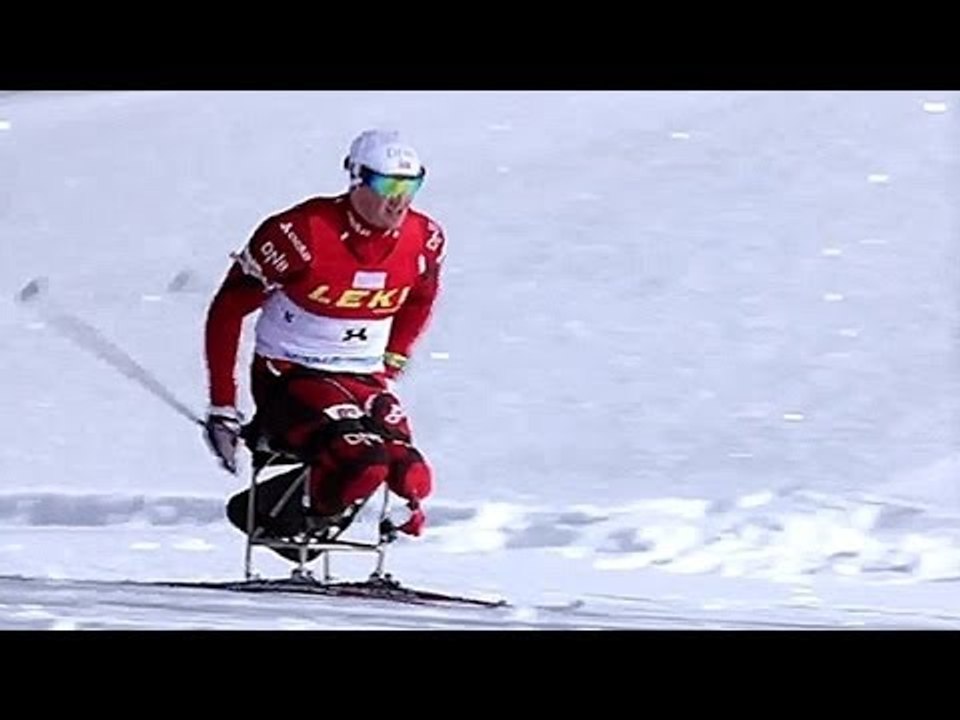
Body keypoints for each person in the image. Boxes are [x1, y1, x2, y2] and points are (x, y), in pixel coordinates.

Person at [202, 129, 446, 539]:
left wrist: (394, 357)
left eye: (411, 184)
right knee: (363, 462)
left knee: (411, 473)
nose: (399, 199)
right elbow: (227, 312)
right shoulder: (302, 233)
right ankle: (278, 520)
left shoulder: (425, 238)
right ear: (356, 179)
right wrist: (223, 407)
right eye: (387, 184)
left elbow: (422, 297)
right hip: (290, 375)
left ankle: (344, 520)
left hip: (361, 375)